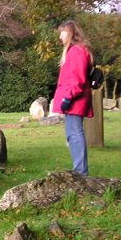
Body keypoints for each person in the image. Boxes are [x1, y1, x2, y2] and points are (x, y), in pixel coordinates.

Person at [52, 20, 93, 176]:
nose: (60, 37)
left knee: (75, 134)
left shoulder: (76, 51)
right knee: (72, 134)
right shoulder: (76, 50)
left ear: (69, 32)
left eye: (62, 32)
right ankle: (79, 170)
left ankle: (81, 171)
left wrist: (67, 98)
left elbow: (77, 79)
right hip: (74, 100)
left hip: (75, 101)